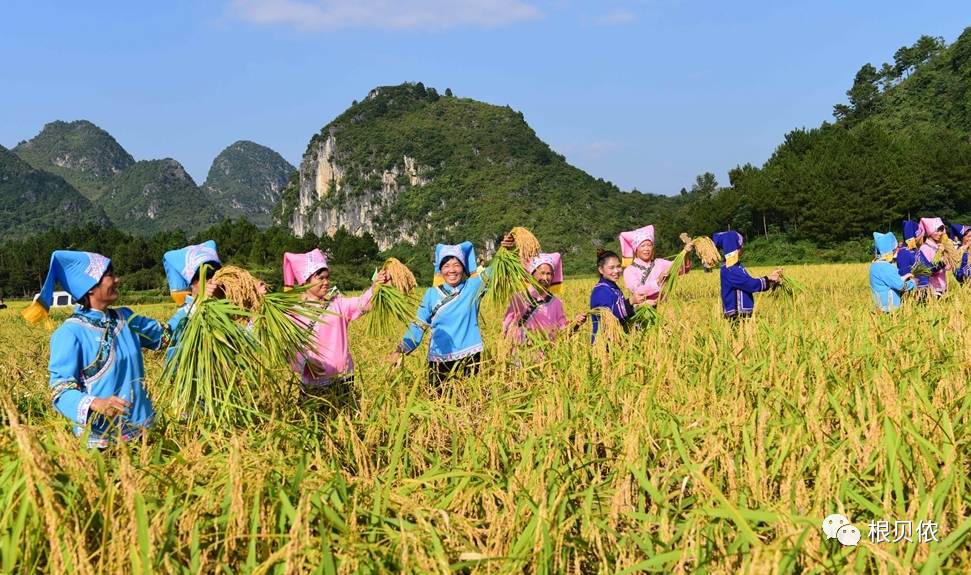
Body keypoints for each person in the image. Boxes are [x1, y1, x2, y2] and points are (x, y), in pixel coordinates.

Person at [23, 251, 170, 448]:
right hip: (100, 443)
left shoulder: (126, 318)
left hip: (143, 432)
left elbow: (166, 336)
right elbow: (60, 390)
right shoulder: (70, 332)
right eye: (110, 275)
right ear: (90, 287)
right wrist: (95, 403)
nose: (117, 279)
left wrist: (197, 301)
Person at [390, 237, 514, 386]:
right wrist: (400, 350)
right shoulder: (431, 294)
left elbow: (496, 270)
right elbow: (418, 325)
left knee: (469, 401)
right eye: (446, 265)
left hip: (469, 356)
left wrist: (506, 250)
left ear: (463, 267)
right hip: (439, 359)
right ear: (440, 270)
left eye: (457, 265)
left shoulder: (473, 286)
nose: (452, 270)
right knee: (438, 402)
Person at [283, 249, 389, 394]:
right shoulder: (295, 312)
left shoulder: (337, 304)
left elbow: (362, 303)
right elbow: (288, 347)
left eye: (328, 277)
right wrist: (305, 362)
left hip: (344, 378)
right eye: (320, 278)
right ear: (305, 281)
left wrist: (375, 287)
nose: (326, 282)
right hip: (314, 385)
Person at [502, 252, 585, 345]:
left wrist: (576, 324)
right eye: (542, 273)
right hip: (520, 355)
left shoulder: (556, 303)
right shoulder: (518, 299)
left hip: (546, 356)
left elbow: (562, 333)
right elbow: (505, 328)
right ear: (532, 274)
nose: (545, 278)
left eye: (549, 274)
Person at [163, 240, 221, 362]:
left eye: (214, 277)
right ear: (192, 283)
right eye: (205, 277)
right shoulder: (183, 316)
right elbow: (165, 337)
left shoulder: (222, 314)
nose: (211, 282)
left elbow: (244, 342)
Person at [712, 231, 782, 320]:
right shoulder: (730, 269)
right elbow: (749, 284)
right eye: (741, 245)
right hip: (737, 317)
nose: (742, 247)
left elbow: (748, 283)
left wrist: (771, 278)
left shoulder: (736, 267)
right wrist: (768, 278)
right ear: (735, 249)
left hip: (743, 315)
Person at [618, 225, 692, 307]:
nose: (646, 249)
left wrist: (686, 253)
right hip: (642, 308)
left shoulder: (660, 263)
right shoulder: (630, 270)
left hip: (664, 306)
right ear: (636, 250)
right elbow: (638, 291)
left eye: (649, 245)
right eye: (642, 246)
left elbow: (682, 269)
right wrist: (658, 281)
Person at [590, 248, 647, 342]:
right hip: (604, 344)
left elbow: (623, 315)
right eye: (611, 268)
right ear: (601, 269)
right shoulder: (601, 291)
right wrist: (630, 301)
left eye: (618, 266)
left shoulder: (613, 287)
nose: (616, 271)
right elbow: (609, 316)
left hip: (618, 340)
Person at [869, 232, 916, 312]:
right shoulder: (885, 267)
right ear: (890, 250)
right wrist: (913, 283)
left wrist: (904, 277)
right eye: (895, 249)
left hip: (880, 306)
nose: (897, 251)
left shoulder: (875, 265)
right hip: (889, 308)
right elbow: (900, 286)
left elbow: (889, 281)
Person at [915, 217, 950, 297]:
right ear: (930, 231)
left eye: (941, 230)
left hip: (942, 286)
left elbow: (945, 267)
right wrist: (942, 262)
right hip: (933, 289)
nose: (940, 233)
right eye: (937, 230)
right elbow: (927, 270)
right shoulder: (925, 248)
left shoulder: (939, 247)